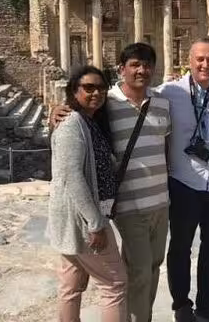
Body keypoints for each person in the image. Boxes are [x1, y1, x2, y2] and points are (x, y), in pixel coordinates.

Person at [51, 43, 172, 322]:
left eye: (147, 64)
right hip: (125, 205)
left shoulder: (162, 102)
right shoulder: (107, 104)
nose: (141, 70)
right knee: (128, 275)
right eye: (134, 65)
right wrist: (56, 113)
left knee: (150, 266)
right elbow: (70, 164)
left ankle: (143, 314)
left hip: (159, 201)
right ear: (121, 69)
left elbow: (166, 147)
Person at [157, 37, 209, 322]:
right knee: (180, 247)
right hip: (184, 182)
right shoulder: (169, 92)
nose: (205, 64)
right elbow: (132, 104)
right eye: (200, 59)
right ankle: (181, 305)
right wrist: (64, 110)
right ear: (189, 61)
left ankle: (206, 304)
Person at [48, 66, 127, 322]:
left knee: (71, 285)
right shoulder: (72, 124)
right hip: (84, 220)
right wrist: (95, 223)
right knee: (114, 284)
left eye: (101, 87)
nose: (96, 93)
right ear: (74, 91)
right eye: (88, 88)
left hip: (72, 220)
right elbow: (72, 177)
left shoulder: (89, 121)